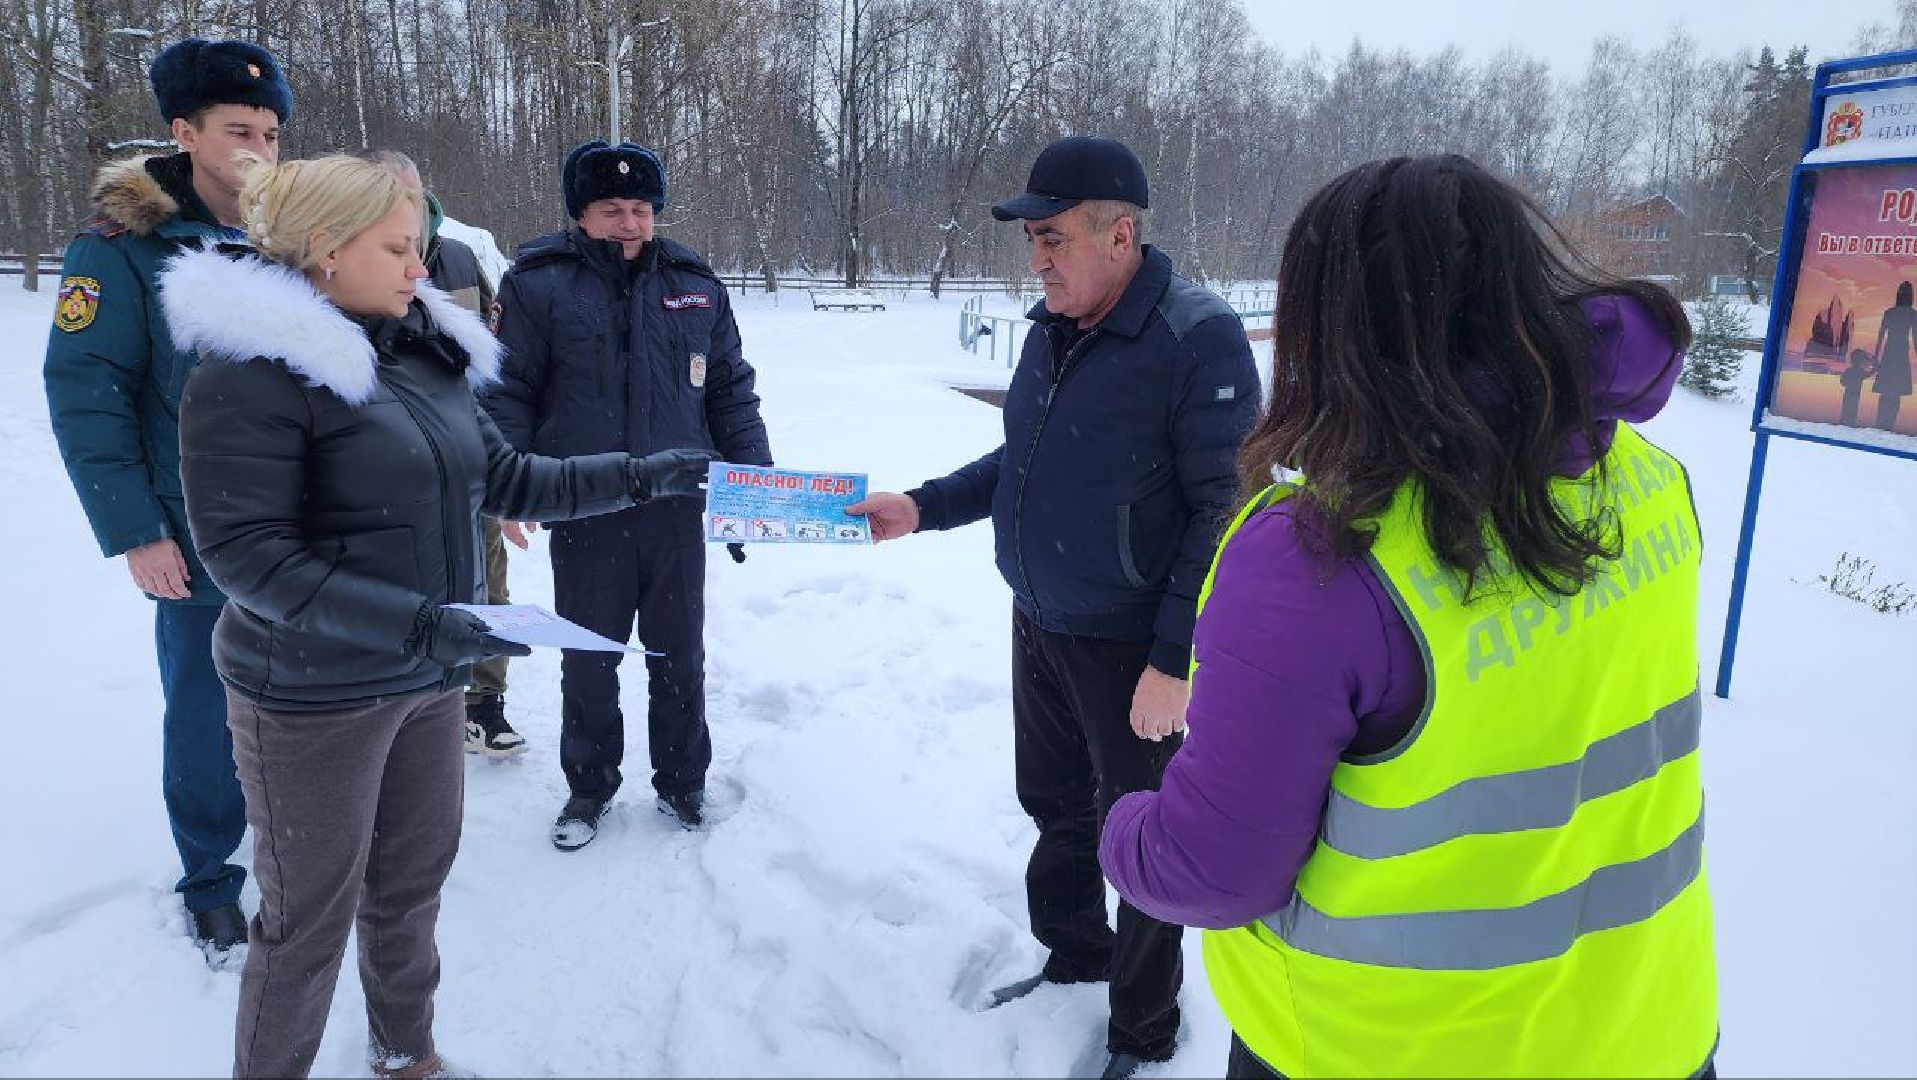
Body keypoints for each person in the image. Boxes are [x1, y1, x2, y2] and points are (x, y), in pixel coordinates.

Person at [1097, 155, 1718, 1078]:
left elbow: (1215, 871)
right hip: (1646, 1030)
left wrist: (1123, 826)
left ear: (1334, 329)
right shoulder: (1647, 481)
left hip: (1380, 1045)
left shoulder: (1318, 559)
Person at [169, 154, 713, 1078]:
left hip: (425, 681)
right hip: (312, 696)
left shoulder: (423, 347)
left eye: (418, 246)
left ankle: (405, 1055)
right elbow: (248, 558)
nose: (421, 267)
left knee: (408, 893)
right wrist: (423, 623)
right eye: (398, 247)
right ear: (324, 252)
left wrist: (643, 472)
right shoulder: (249, 375)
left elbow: (506, 477)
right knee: (307, 923)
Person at [849, 135, 1260, 1079]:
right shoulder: (1055, 327)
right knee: (1056, 807)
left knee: (1143, 835)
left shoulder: (1195, 340)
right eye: (1030, 239)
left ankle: (1143, 1030)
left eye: (1051, 238)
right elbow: (1019, 465)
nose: (1036, 259)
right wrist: (923, 506)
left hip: (1131, 647)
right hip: (1039, 615)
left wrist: (1174, 658)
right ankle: (1076, 952)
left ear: (1119, 235)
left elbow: (1221, 510)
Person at [41, 37, 290, 968]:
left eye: (270, 132)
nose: (259, 149)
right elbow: (84, 391)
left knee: (303, 704)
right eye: (239, 130)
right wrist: (136, 531)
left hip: (300, 530)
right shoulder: (122, 253)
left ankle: (298, 847)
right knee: (205, 711)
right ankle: (212, 878)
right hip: (195, 533)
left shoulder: (296, 237)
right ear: (184, 133)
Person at [482, 140, 773, 848]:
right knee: (589, 655)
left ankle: (681, 780)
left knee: (679, 653)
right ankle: (588, 787)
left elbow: (730, 390)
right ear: (580, 214)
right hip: (584, 504)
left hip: (677, 504)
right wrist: (507, 484)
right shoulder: (536, 284)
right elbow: (511, 389)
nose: (629, 223)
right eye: (612, 209)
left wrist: (754, 484)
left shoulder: (696, 283)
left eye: (641, 208)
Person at [353, 148, 522, 756]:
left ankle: (483, 702)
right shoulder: (336, 269)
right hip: (393, 469)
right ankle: (408, 709)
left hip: (468, 450)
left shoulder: (456, 257)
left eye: (417, 194)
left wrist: (504, 462)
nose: (412, 208)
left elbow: (494, 360)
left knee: (487, 583)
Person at [1871, 280, 1915, 431]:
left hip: (1889, 354)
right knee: (1895, 393)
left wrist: (1876, 356)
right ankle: (1887, 426)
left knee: (1886, 392)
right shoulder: (1912, 314)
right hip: (1900, 354)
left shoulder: (1889, 312)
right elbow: (1916, 339)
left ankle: (1881, 425)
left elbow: (1880, 336)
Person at [1840, 347, 1875, 427]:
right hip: (1855, 393)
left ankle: (1845, 421)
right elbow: (1870, 372)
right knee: (1853, 408)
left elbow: (1842, 382)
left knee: (1847, 408)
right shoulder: (1860, 371)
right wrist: (1873, 360)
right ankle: (1850, 422)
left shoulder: (1849, 370)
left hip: (1848, 393)